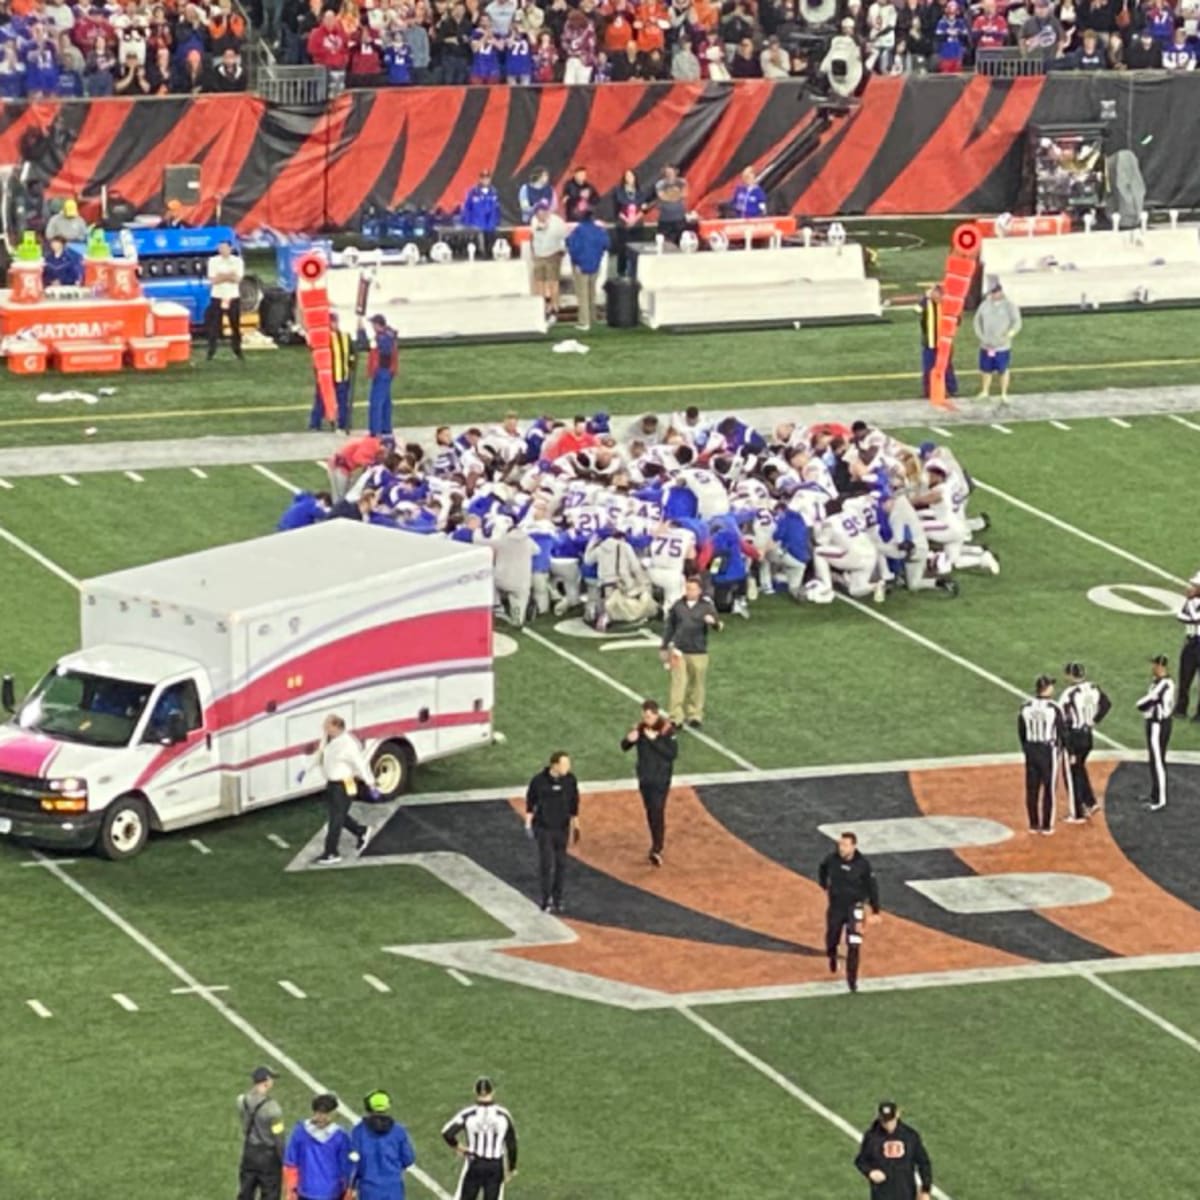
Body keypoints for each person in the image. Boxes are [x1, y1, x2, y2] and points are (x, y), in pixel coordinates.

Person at [298, 714, 380, 866]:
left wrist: (371, 784)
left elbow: (360, 765)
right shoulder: (328, 738)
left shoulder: (348, 744)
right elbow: (320, 755)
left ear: (336, 727)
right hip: (332, 784)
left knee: (336, 819)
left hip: (344, 784)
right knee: (338, 816)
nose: (324, 728)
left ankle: (331, 852)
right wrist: (306, 769)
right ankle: (361, 831)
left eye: (327, 726)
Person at [818, 830, 880, 993]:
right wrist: (824, 884)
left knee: (854, 943)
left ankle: (852, 981)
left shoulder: (863, 864)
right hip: (836, 907)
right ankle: (832, 955)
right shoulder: (832, 860)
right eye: (840, 844)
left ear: (853, 846)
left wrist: (875, 909)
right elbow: (822, 869)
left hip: (854, 908)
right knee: (832, 937)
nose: (841, 848)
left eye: (845, 845)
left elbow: (872, 886)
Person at [621, 699, 678, 866]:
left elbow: (671, 754)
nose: (646, 719)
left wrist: (654, 740)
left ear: (656, 714)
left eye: (649, 716)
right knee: (650, 811)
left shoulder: (667, 730)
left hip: (661, 778)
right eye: (644, 716)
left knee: (657, 809)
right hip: (645, 777)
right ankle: (655, 843)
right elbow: (624, 746)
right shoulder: (640, 728)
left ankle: (657, 847)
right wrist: (629, 740)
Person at [441, 1077, 518, 1200]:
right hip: (495, 1166)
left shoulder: (469, 1113)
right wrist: (511, 1167)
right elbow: (511, 1144)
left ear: (475, 1092)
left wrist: (459, 1148)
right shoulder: (503, 1115)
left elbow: (447, 1133)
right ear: (492, 1092)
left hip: (475, 1163)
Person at [660, 575, 722, 728]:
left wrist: (713, 622)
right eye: (687, 588)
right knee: (678, 684)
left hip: (698, 651)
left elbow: (719, 626)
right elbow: (670, 628)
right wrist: (664, 646)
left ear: (699, 590)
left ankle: (695, 714)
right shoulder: (678, 606)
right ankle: (675, 717)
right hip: (679, 650)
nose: (689, 591)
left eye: (693, 589)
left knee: (697, 684)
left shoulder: (707, 607)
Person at [524, 750, 580, 912]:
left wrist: (576, 824)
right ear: (554, 765)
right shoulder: (539, 781)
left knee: (561, 864)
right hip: (544, 828)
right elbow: (530, 802)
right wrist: (528, 823)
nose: (567, 767)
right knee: (547, 863)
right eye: (564, 764)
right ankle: (545, 898)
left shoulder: (570, 780)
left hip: (562, 827)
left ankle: (558, 898)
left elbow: (574, 802)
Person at [1060, 662, 1110, 822]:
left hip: (1075, 736)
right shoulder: (1094, 687)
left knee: (1072, 773)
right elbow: (1106, 704)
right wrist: (1094, 720)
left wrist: (1068, 747)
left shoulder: (1069, 693)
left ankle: (1077, 813)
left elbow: (1063, 719)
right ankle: (1090, 802)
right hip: (1088, 735)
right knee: (1080, 768)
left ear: (1069, 675)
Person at [854, 1100, 933, 1200]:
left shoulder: (910, 1136)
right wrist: (870, 1172)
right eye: (885, 1121)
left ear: (897, 1114)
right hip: (881, 1196)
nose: (888, 1124)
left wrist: (925, 1190)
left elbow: (923, 1163)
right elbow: (861, 1161)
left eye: (891, 1120)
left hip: (906, 1194)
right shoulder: (872, 1137)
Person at [1018, 674, 1065, 835]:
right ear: (1047, 688)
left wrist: (1026, 748)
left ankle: (1033, 823)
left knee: (1032, 788)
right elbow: (1061, 731)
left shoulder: (1025, 706)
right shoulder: (1054, 707)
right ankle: (1046, 825)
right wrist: (1060, 749)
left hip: (1031, 749)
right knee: (1049, 788)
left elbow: (1021, 731)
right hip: (1047, 750)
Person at [349, 1090, 416, 1200]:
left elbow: (354, 1162)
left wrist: (352, 1186)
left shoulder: (359, 1131)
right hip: (393, 1188)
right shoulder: (398, 1131)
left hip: (368, 1188)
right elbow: (408, 1158)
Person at [283, 1094, 352, 1200]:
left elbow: (290, 1164)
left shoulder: (300, 1131)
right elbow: (346, 1168)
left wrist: (291, 1189)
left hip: (306, 1191)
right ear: (333, 1113)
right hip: (332, 1192)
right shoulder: (341, 1137)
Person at [237, 1066, 286, 1200]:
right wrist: (284, 1160)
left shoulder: (242, 1101)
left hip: (249, 1153)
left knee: (245, 1193)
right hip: (268, 1158)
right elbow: (279, 1138)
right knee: (270, 1194)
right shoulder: (273, 1109)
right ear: (266, 1082)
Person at [972, 277, 1021, 406]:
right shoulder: (985, 304)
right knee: (985, 369)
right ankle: (985, 391)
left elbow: (1017, 322)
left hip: (1002, 346)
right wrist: (981, 336)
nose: (993, 295)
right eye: (992, 293)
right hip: (986, 344)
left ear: (1000, 292)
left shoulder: (1009, 305)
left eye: (995, 292)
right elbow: (977, 320)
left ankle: (1004, 394)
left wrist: (1008, 335)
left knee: (1003, 370)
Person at [1137, 654, 1175, 811]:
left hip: (1159, 725)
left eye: (1154, 665)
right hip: (1154, 724)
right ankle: (1154, 794)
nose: (1152, 667)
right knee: (1154, 760)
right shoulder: (1157, 683)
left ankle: (1160, 800)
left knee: (1158, 761)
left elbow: (1147, 701)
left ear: (1160, 667)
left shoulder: (1165, 684)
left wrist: (1139, 704)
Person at [308, 312, 355, 433]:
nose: (333, 324)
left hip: (342, 375)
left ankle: (342, 424)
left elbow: (352, 354)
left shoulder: (345, 336)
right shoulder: (324, 337)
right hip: (326, 376)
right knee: (321, 400)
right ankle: (315, 423)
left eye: (334, 321)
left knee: (342, 401)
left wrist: (350, 366)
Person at [565, 206, 608, 333]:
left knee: (582, 294)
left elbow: (572, 247)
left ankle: (584, 322)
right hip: (595, 265)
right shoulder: (599, 230)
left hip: (580, 267)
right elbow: (607, 244)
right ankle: (592, 318)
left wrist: (577, 261)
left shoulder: (578, 231)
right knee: (591, 292)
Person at [206, 238, 245, 361]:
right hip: (217, 297)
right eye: (220, 248)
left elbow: (238, 279)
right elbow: (212, 280)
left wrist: (221, 276)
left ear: (230, 248)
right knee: (214, 326)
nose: (222, 250)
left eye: (224, 247)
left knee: (235, 325)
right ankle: (211, 351)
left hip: (233, 297)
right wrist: (229, 275)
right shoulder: (213, 261)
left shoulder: (237, 261)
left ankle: (238, 350)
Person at [359, 315, 398, 438]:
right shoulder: (388, 335)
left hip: (382, 372)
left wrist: (361, 332)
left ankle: (375, 431)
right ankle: (386, 429)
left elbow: (369, 346)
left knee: (376, 402)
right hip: (385, 372)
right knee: (385, 402)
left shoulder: (384, 338)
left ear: (377, 324)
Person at [529, 201, 568, 325]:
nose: (539, 215)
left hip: (553, 255)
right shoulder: (534, 221)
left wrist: (561, 252)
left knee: (553, 284)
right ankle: (542, 310)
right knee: (539, 284)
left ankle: (554, 310)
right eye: (537, 213)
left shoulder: (557, 223)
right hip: (539, 256)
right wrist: (534, 253)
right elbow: (534, 236)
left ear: (547, 212)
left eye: (542, 212)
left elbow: (564, 238)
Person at [918, 284, 956, 400]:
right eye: (934, 293)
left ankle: (950, 389)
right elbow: (916, 310)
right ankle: (928, 390)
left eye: (938, 294)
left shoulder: (947, 305)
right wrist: (925, 298)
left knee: (946, 367)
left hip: (944, 343)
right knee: (928, 367)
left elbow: (957, 319)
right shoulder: (927, 305)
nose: (936, 296)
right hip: (929, 342)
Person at [1175, 571, 1200, 719]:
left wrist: (1190, 602)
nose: (1193, 587)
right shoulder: (1193, 602)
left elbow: (1196, 617)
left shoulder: (1192, 602)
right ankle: (1180, 709)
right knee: (1184, 677)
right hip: (1191, 641)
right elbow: (1180, 616)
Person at [461, 169, 501, 251]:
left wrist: (497, 220)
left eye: (487, 178)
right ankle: (482, 252)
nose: (485, 180)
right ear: (480, 179)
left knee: (491, 237)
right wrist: (467, 221)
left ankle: (490, 252)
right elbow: (467, 207)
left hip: (490, 222)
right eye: (483, 178)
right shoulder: (473, 192)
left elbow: (496, 208)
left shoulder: (493, 191)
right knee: (481, 237)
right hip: (478, 221)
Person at [654, 164, 688, 243]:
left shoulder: (682, 182)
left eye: (671, 172)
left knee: (680, 242)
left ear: (676, 172)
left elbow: (684, 194)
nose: (669, 174)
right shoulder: (660, 184)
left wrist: (669, 195)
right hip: (665, 219)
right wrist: (676, 195)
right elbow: (662, 197)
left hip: (680, 219)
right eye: (667, 172)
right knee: (665, 243)